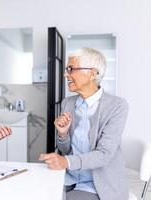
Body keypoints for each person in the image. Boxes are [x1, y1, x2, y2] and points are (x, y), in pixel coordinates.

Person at [39, 47, 128, 200]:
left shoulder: (117, 106)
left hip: (97, 185)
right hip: (69, 178)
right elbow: (65, 150)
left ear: (92, 73)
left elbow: (104, 155)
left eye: (71, 69)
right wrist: (62, 134)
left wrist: (65, 162)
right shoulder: (68, 103)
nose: (65, 74)